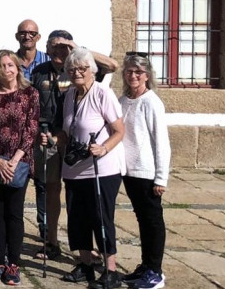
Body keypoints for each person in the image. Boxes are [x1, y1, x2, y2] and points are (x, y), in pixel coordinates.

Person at [31, 30, 118, 262]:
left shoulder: (82, 70)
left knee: (82, 196)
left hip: (77, 140)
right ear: (47, 49)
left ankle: (91, 246)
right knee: (51, 190)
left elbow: (112, 65)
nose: (59, 50)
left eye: (63, 47)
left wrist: (79, 48)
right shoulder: (40, 71)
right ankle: (51, 240)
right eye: (54, 46)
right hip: (50, 137)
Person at [59, 48, 125, 288]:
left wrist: (104, 148)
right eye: (72, 69)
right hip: (74, 169)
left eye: (82, 68)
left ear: (92, 71)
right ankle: (85, 265)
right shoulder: (69, 96)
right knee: (77, 218)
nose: (77, 72)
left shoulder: (102, 93)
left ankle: (110, 270)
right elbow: (68, 131)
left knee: (101, 218)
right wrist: (55, 140)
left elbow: (119, 130)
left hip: (101, 169)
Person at [0, 50, 40, 285]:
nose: (7, 69)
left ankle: (13, 264)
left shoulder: (30, 94)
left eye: (11, 65)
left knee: (14, 214)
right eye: (2, 66)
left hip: (18, 164)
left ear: (17, 68)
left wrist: (13, 161)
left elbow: (32, 130)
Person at [119, 53, 171, 289]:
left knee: (152, 221)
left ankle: (155, 271)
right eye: (129, 71)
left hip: (146, 173)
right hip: (129, 172)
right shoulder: (123, 100)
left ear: (147, 76)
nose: (133, 76)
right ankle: (145, 265)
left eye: (138, 72)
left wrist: (161, 178)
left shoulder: (151, 102)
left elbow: (162, 143)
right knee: (142, 220)